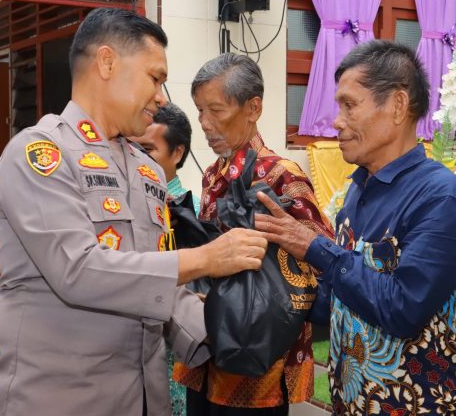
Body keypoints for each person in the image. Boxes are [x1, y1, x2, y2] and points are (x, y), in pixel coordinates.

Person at [0, 8, 268, 416]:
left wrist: (229, 330)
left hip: (142, 396)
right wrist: (206, 258)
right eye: (155, 78)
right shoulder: (40, 155)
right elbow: (79, 271)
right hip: (61, 398)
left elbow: (156, 281)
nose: (161, 96)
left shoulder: (146, 170)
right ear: (106, 62)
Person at [255, 40, 456, 414]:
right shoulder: (357, 191)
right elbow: (336, 303)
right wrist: (267, 281)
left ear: (396, 106)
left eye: (349, 105)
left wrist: (314, 247)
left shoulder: (442, 198)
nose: (337, 121)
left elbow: (403, 309)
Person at [173, 53, 333, 416]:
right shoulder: (214, 173)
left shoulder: (282, 175)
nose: (205, 123)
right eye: (200, 111)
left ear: (253, 108)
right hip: (208, 344)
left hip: (257, 354)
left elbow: (321, 257)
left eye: (216, 110)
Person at [129, 102, 198, 416]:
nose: (139, 159)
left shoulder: (196, 211)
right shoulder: (123, 205)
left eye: (149, 150)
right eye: (136, 149)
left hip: (182, 341)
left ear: (177, 153)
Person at [131, 102, 200, 214]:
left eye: (146, 149)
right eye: (129, 148)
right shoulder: (118, 201)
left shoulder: (194, 212)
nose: (135, 155)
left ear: (178, 153)